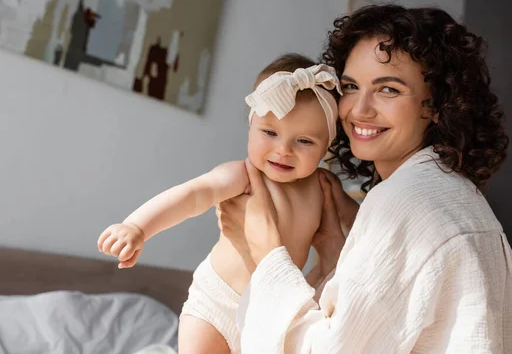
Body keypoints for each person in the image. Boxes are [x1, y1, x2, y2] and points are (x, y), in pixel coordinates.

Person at [218, 4, 512, 353]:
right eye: (350, 86)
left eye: (388, 90)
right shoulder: (455, 196)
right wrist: (335, 254)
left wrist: (267, 255)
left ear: (436, 105)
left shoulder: (407, 202)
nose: (359, 109)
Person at [96, 54, 344, 354]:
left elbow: (364, 224)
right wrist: (136, 226)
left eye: (304, 141)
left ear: (326, 145)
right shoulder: (243, 176)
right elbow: (192, 195)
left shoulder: (324, 187)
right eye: (270, 132)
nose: (283, 150)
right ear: (251, 126)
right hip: (216, 304)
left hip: (273, 314)